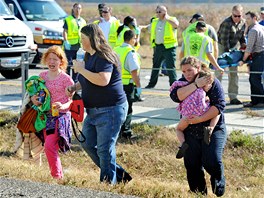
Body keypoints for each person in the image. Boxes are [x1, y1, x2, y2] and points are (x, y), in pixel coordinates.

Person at [67, 24, 132, 184]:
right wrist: (75, 86)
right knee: (87, 143)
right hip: (93, 111)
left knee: (104, 149)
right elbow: (89, 77)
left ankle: (108, 184)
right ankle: (120, 176)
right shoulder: (89, 56)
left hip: (110, 110)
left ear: (92, 39)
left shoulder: (104, 56)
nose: (81, 41)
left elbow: (103, 79)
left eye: (83, 38)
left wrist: (81, 70)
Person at [170, 56, 227, 196]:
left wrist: (200, 119)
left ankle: (218, 182)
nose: (187, 74)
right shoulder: (182, 82)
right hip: (190, 129)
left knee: (212, 160)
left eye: (190, 70)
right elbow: (175, 96)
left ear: (198, 68)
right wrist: (196, 85)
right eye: (184, 71)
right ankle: (198, 193)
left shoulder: (211, 81)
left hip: (212, 128)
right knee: (191, 164)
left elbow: (219, 106)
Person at [30, 45, 74, 181]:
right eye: (49, 59)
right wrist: (34, 99)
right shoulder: (42, 76)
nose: (51, 62)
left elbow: (71, 102)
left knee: (49, 146)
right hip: (44, 116)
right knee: (50, 147)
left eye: (55, 59)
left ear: (61, 61)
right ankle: (59, 175)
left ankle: (56, 177)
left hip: (60, 117)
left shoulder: (66, 79)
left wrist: (62, 105)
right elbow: (36, 95)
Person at [170, 68, 220, 159]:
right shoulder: (204, 91)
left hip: (188, 116)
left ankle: (183, 144)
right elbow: (207, 103)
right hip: (203, 111)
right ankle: (210, 128)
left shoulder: (189, 87)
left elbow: (176, 87)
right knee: (217, 112)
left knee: (179, 129)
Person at [114, 30, 141, 139]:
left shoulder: (116, 49)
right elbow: (133, 71)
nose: (136, 40)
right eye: (135, 38)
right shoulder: (130, 52)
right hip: (127, 86)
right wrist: (138, 86)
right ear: (131, 39)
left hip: (115, 84)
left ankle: (116, 131)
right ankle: (126, 133)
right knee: (127, 109)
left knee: (117, 109)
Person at [217, 5, 247, 105]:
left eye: (239, 16)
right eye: (235, 16)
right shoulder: (226, 23)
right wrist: (228, 55)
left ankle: (233, 97)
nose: (237, 18)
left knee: (234, 73)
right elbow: (224, 41)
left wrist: (243, 44)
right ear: (232, 14)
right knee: (219, 71)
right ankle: (215, 95)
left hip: (234, 47)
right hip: (223, 47)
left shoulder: (243, 22)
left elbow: (242, 36)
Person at [145, 5, 178, 88]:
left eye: (160, 12)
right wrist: (140, 27)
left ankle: (173, 85)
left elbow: (176, 25)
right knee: (155, 66)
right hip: (158, 47)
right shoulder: (155, 21)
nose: (158, 14)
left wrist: (167, 18)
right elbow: (148, 28)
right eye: (157, 12)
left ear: (165, 11)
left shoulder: (171, 20)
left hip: (169, 48)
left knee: (170, 67)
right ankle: (151, 84)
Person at [238, 11, 264, 108]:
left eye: (248, 19)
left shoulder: (253, 30)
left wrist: (243, 60)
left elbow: (249, 48)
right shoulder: (261, 27)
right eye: (246, 19)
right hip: (260, 55)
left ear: (254, 18)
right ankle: (255, 101)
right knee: (255, 78)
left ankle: (260, 100)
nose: (247, 21)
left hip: (258, 55)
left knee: (255, 78)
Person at [63, 3, 86, 82]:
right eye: (76, 8)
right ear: (73, 9)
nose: (78, 10)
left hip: (79, 47)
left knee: (77, 65)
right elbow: (65, 31)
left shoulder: (83, 21)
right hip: (69, 47)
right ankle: (66, 81)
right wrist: (66, 41)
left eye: (79, 8)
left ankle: (74, 82)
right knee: (68, 65)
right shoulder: (68, 19)